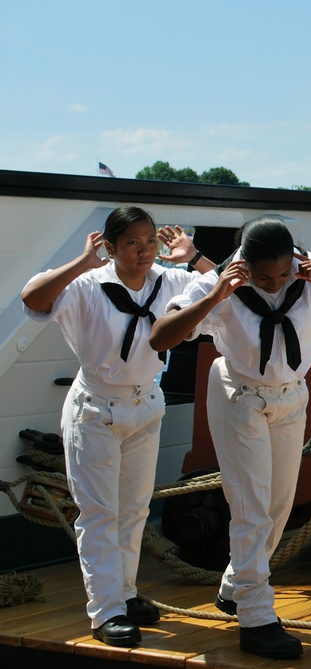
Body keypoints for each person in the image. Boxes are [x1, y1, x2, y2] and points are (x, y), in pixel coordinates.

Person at [149, 216, 311, 659]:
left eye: (284, 274)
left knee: (279, 505)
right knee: (252, 505)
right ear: (245, 263)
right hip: (239, 395)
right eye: (265, 277)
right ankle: (257, 618)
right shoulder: (225, 279)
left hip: (290, 397)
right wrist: (218, 294)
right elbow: (160, 337)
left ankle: (234, 588)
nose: (277, 285)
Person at [21, 206, 214, 647]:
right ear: (109, 246)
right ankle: (105, 610)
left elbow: (225, 286)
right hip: (96, 410)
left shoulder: (170, 281)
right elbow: (32, 298)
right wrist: (83, 262)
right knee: (99, 513)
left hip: (145, 407)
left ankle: (125, 594)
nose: (145, 251)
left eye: (150, 241)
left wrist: (193, 255)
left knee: (134, 510)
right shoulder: (87, 286)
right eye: (132, 242)